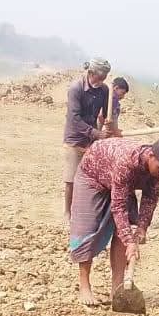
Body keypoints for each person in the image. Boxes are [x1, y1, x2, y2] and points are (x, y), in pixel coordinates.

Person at [67, 137, 159, 306]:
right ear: (151, 156)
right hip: (93, 176)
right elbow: (118, 206)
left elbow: (150, 199)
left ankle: (118, 288)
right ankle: (84, 285)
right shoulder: (126, 163)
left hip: (121, 183)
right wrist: (130, 242)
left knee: (125, 228)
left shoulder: (158, 172)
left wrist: (142, 228)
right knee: (87, 228)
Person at [63, 58, 112, 224]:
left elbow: (105, 114)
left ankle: (85, 211)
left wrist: (108, 126)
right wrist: (96, 133)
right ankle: (67, 212)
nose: (102, 80)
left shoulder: (104, 90)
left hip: (92, 140)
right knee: (71, 178)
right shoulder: (76, 89)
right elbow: (74, 118)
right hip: (75, 138)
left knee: (90, 178)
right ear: (90, 73)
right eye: (100, 76)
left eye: (105, 77)